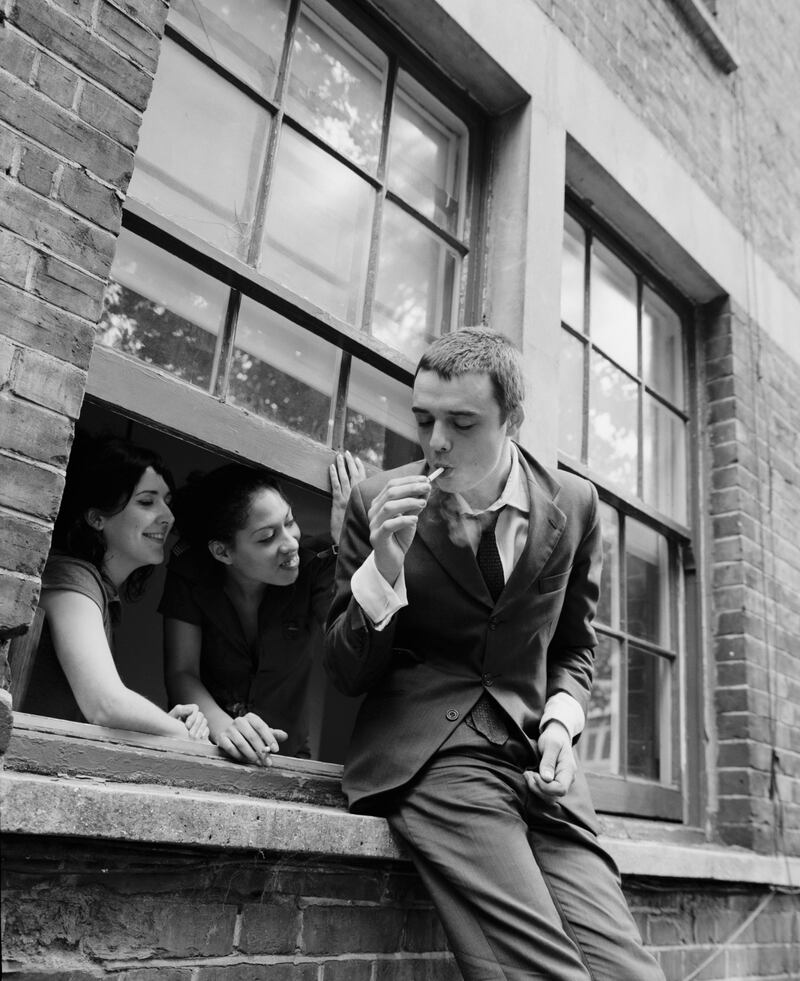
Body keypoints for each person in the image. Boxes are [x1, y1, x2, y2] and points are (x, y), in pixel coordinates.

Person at [324, 328, 666, 981]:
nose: (436, 441)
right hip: (436, 760)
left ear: (512, 418)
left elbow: (574, 647)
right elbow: (344, 671)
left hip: (544, 768)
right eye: (423, 419)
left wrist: (561, 725)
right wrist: (383, 568)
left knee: (631, 973)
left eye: (461, 422)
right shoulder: (376, 501)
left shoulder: (574, 504)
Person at [161, 452, 365, 764]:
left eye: (290, 522)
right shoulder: (190, 569)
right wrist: (225, 729)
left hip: (287, 756)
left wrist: (349, 549)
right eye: (267, 537)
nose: (291, 543)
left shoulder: (318, 563)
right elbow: (181, 672)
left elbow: (352, 657)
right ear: (222, 552)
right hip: (205, 746)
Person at [22, 434, 208, 742]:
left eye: (167, 502)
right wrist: (186, 738)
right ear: (97, 518)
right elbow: (106, 704)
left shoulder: (98, 589)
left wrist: (162, 723)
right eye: (147, 502)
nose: (168, 516)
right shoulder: (73, 578)